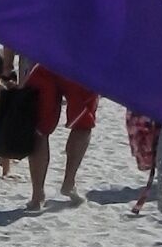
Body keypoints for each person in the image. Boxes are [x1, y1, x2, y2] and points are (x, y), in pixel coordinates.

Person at [17, 62, 100, 210]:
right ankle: (69, 182)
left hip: (47, 61)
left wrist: (10, 67)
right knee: (83, 125)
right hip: (82, 64)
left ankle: (37, 195)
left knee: (39, 130)